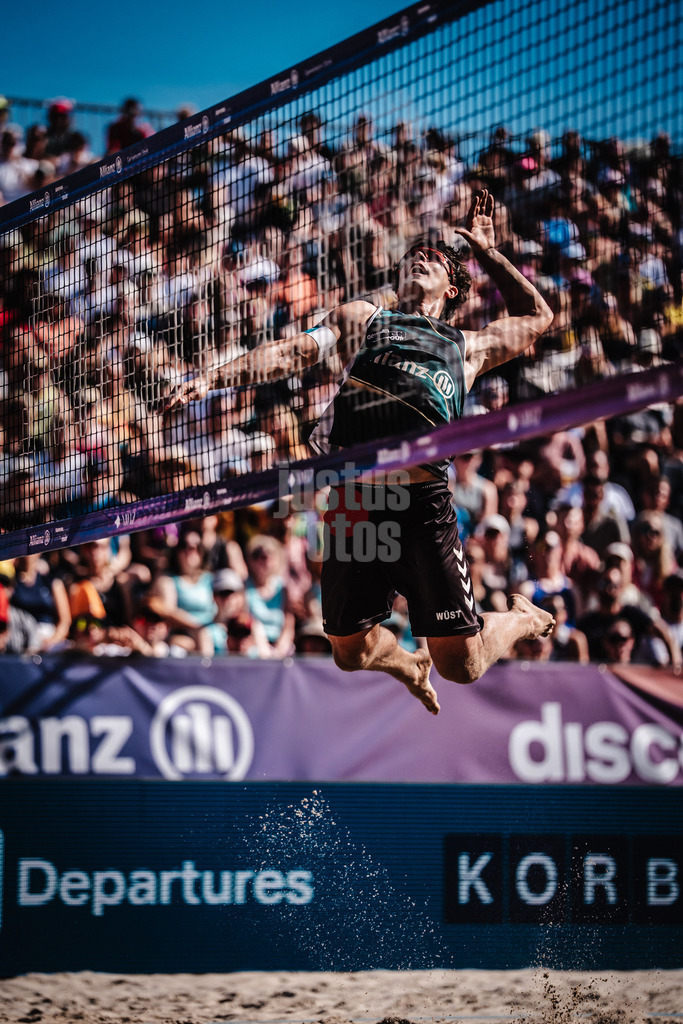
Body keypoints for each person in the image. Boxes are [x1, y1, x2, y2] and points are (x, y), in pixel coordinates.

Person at [167, 189, 556, 714]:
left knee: (460, 666)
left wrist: (488, 252)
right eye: (413, 255)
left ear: (455, 286)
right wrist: (216, 377)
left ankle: (525, 618)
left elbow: (538, 316)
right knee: (350, 652)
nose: (420, 257)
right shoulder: (367, 318)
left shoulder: (467, 347)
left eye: (435, 257)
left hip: (419, 509)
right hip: (355, 502)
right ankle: (406, 663)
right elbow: (293, 352)